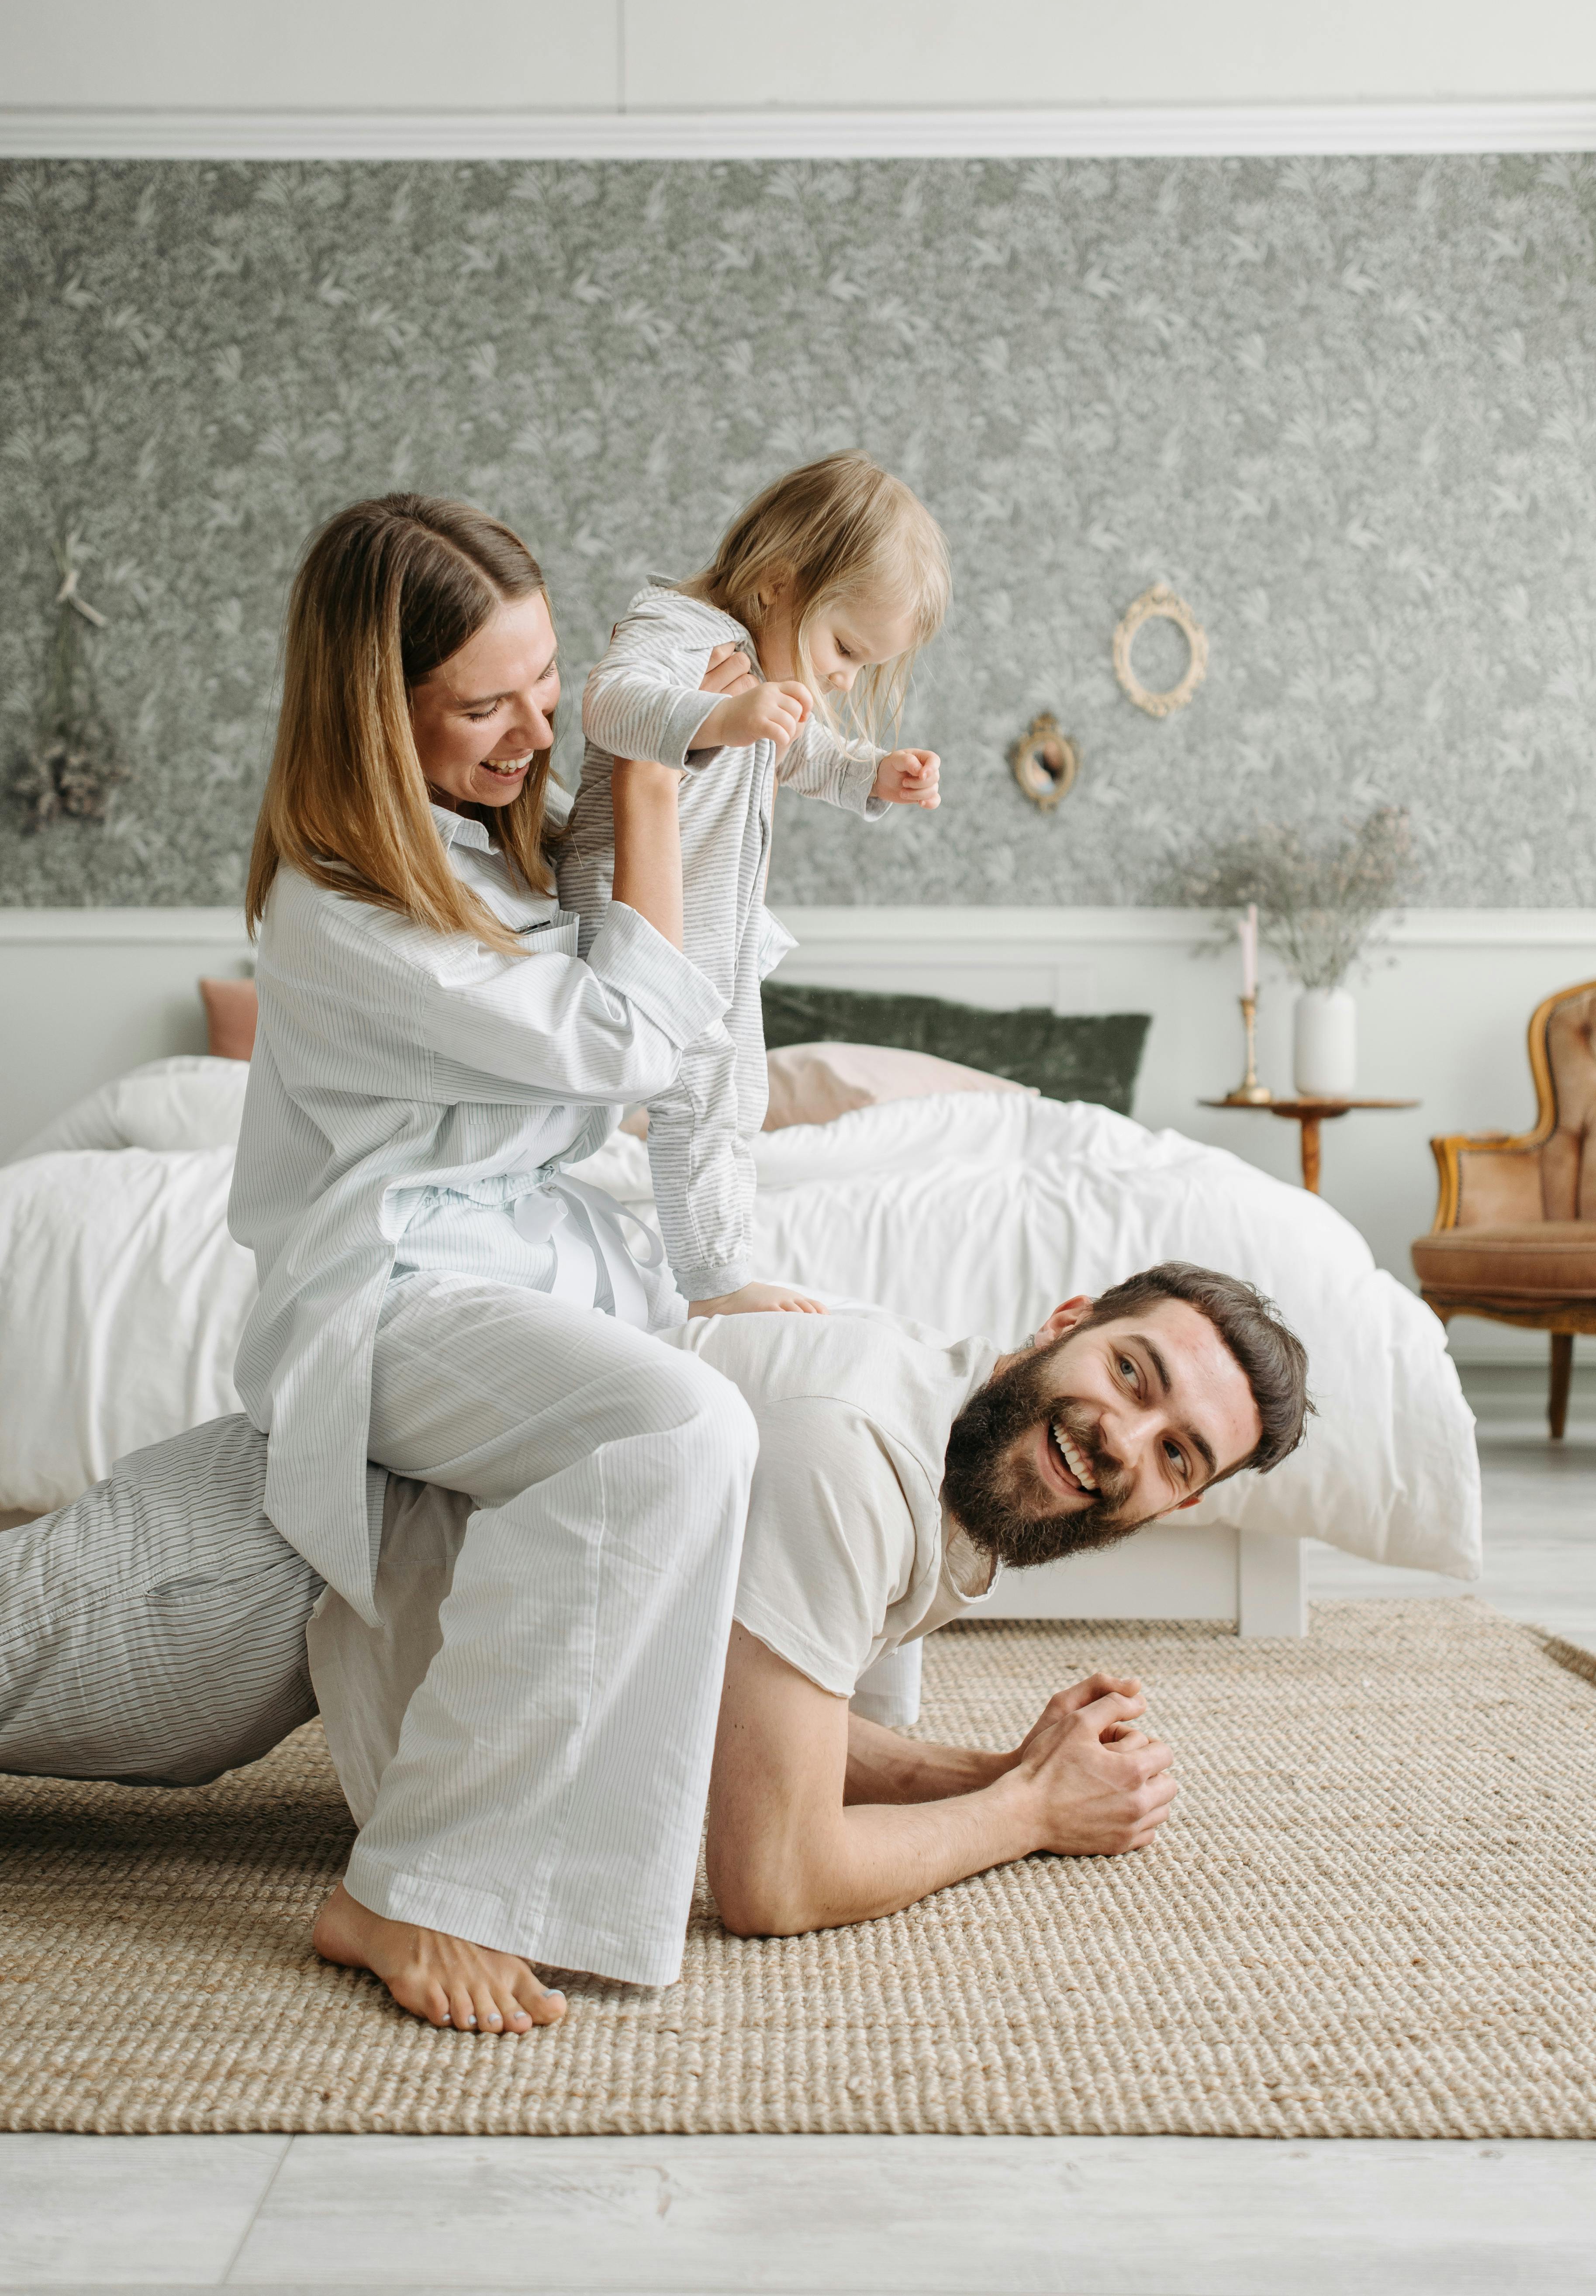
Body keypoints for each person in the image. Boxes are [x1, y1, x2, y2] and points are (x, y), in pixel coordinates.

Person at [0, 1262, 1309, 2031]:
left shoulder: (963, 1476)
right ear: (1062, 1321)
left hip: (324, 1638)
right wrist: (1027, 1810)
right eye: (1132, 1377)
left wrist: (986, 1766)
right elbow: (775, 1875)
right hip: (260, 1565)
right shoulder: (853, 1454)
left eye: (1171, 1455)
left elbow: (746, 1722)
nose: (1119, 1443)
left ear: (1175, 1506)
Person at [225, 491, 776, 2029]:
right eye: (485, 705)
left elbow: (678, 1003)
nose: (536, 732)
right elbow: (620, 1045)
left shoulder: (496, 846)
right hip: (391, 1295)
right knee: (681, 1426)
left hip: (522, 1267)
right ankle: (406, 1890)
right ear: (373, 710)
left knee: (782, 1378)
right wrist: (652, 775)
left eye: (549, 690)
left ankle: (802, 1788)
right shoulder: (338, 908)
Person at [558, 452, 949, 1313]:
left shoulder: (761, 678)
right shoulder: (676, 626)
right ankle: (712, 1281)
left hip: (713, 920)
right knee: (695, 1088)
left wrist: (873, 773)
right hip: (634, 906)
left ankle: (717, 1255)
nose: (845, 677)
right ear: (777, 584)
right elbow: (611, 703)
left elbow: (802, 749)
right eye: (845, 648)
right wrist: (715, 716)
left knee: (736, 1088)